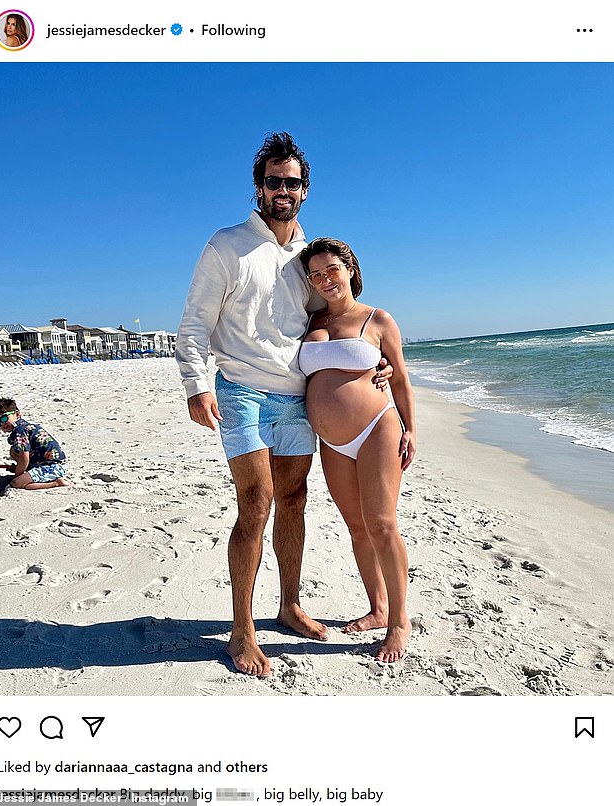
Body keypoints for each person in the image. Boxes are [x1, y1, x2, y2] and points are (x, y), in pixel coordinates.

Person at [176, 132, 391, 677]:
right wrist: (197, 386)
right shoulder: (225, 246)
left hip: (296, 397)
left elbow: (336, 320)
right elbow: (195, 324)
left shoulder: (309, 259)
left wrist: (377, 361)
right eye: (273, 181)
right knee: (257, 499)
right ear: (258, 186)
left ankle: (289, 605)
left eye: (292, 183)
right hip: (240, 390)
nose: (282, 190)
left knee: (293, 499)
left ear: (305, 190)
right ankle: (241, 630)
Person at [298, 238, 416, 662]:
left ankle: (400, 622)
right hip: (331, 441)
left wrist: (411, 430)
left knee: (382, 523)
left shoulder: (377, 320)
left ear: (350, 269)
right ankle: (379, 608)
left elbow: (399, 377)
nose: (324, 278)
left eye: (331, 268)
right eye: (315, 273)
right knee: (356, 526)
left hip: (376, 428)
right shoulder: (308, 321)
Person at [0, 398, 71, 490]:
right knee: (13, 450)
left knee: (16, 483)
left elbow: (24, 457)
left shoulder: (20, 431)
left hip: (53, 467)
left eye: (4, 418)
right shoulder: (26, 426)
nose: (2, 424)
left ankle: (56, 483)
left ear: (17, 414)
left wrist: (18, 475)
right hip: (53, 463)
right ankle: (31, 472)